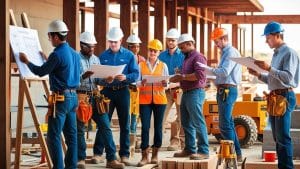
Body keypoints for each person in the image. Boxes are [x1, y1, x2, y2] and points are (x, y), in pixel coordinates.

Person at [19, 20, 80, 169]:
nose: (49, 39)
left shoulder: (57, 54)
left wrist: (26, 61)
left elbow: (40, 72)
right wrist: (48, 60)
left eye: (49, 36)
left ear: (56, 37)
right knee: (72, 136)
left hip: (61, 99)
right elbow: (63, 68)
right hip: (73, 98)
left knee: (53, 136)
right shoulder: (74, 54)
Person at [248, 21, 299, 169]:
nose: (266, 41)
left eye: (268, 37)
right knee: (277, 137)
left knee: (283, 138)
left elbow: (288, 78)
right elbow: (273, 78)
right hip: (276, 97)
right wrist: (259, 74)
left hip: (284, 97)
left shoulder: (288, 52)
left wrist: (269, 68)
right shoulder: (277, 54)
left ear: (277, 35)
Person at [76, 31, 124, 169]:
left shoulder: (96, 59)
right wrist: (84, 75)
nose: (91, 49)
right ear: (81, 45)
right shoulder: (75, 59)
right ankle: (81, 159)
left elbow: (98, 80)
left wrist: (106, 80)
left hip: (96, 96)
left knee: (105, 126)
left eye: (93, 47)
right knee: (80, 129)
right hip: (81, 96)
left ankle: (111, 159)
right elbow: (72, 80)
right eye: (88, 47)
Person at [95, 27, 139, 166]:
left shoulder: (129, 56)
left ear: (121, 40)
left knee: (125, 124)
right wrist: (104, 80)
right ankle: (97, 153)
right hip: (106, 91)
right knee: (103, 122)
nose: (113, 44)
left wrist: (126, 77)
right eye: (110, 42)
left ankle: (124, 155)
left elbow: (136, 74)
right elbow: (97, 77)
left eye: (115, 42)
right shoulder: (102, 56)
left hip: (123, 90)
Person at [198, 27, 243, 162]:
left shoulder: (230, 52)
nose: (215, 44)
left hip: (228, 91)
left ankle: (233, 155)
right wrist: (211, 76)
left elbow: (224, 72)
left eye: (217, 41)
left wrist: (207, 69)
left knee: (224, 125)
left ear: (224, 39)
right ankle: (237, 154)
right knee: (228, 124)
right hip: (224, 90)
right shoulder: (225, 52)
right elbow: (221, 74)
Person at [170, 34, 209, 160]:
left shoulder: (198, 57)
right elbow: (187, 74)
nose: (180, 50)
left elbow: (199, 75)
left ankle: (204, 150)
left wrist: (182, 77)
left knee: (198, 122)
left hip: (195, 92)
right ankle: (189, 148)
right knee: (186, 122)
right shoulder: (187, 58)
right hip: (186, 92)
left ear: (189, 44)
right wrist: (180, 73)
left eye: (182, 47)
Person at [137, 39, 168, 166]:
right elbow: (136, 83)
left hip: (160, 100)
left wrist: (166, 84)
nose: (152, 52)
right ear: (148, 50)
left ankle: (155, 154)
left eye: (155, 50)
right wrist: (141, 83)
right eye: (151, 50)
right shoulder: (141, 65)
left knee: (158, 128)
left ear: (159, 52)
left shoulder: (163, 66)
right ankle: (144, 155)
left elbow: (167, 84)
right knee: (145, 127)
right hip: (144, 101)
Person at [158, 28, 185, 151]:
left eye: (173, 40)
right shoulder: (162, 55)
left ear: (177, 41)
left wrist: (174, 84)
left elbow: (185, 75)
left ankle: (175, 141)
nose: (170, 43)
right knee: (161, 114)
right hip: (165, 90)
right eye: (168, 40)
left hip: (179, 89)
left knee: (180, 116)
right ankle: (156, 141)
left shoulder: (183, 55)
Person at [126, 34, 145, 156]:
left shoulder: (142, 60)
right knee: (127, 117)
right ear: (128, 47)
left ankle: (133, 142)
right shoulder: (125, 58)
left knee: (135, 117)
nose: (136, 49)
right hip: (127, 90)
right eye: (133, 46)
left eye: (137, 46)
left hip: (138, 92)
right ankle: (128, 144)